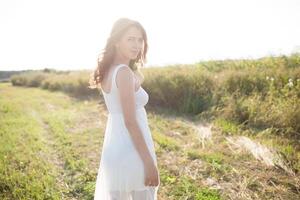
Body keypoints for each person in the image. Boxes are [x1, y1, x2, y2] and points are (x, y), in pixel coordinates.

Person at [89, 17, 160, 200]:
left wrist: (137, 77)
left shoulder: (110, 71)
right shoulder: (124, 73)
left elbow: (134, 81)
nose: (136, 45)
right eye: (130, 39)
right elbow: (130, 121)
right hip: (132, 151)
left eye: (139, 39)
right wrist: (148, 163)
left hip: (115, 149)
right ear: (117, 41)